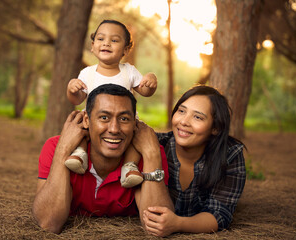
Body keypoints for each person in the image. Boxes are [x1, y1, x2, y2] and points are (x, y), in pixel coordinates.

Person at [32, 84, 173, 234]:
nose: (114, 129)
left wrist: (151, 155)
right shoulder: (56, 147)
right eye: (104, 117)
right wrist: (63, 150)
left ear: (134, 123)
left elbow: (157, 225)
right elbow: (48, 223)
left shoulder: (148, 152)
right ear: (86, 120)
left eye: (124, 119)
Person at [137, 85, 246, 237]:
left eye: (198, 117)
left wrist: (178, 224)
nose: (184, 122)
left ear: (215, 127)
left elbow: (220, 213)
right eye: (181, 111)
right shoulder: (157, 145)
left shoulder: (230, 155)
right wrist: (152, 154)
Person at [65, 19, 157, 189]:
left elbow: (145, 91)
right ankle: (80, 154)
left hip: (123, 121)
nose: (106, 43)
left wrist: (150, 80)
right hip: (94, 121)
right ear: (92, 46)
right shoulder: (87, 73)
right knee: (80, 128)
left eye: (114, 40)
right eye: (101, 39)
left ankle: (129, 167)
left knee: (136, 136)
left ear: (126, 49)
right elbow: (76, 100)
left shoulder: (129, 71)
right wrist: (72, 89)